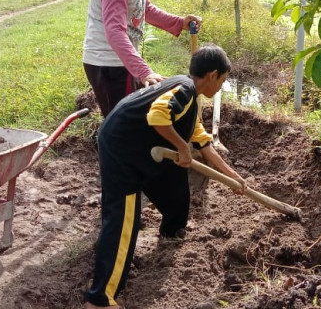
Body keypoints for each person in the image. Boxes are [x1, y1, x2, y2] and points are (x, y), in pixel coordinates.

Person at [84, 44, 246, 309]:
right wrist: (182, 147)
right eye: (223, 81)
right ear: (212, 75)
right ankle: (100, 298)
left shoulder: (191, 100)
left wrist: (234, 178)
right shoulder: (185, 90)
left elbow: (204, 145)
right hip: (122, 149)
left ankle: (172, 229)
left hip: (144, 150)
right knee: (124, 222)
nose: (221, 87)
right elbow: (157, 116)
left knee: (176, 193)